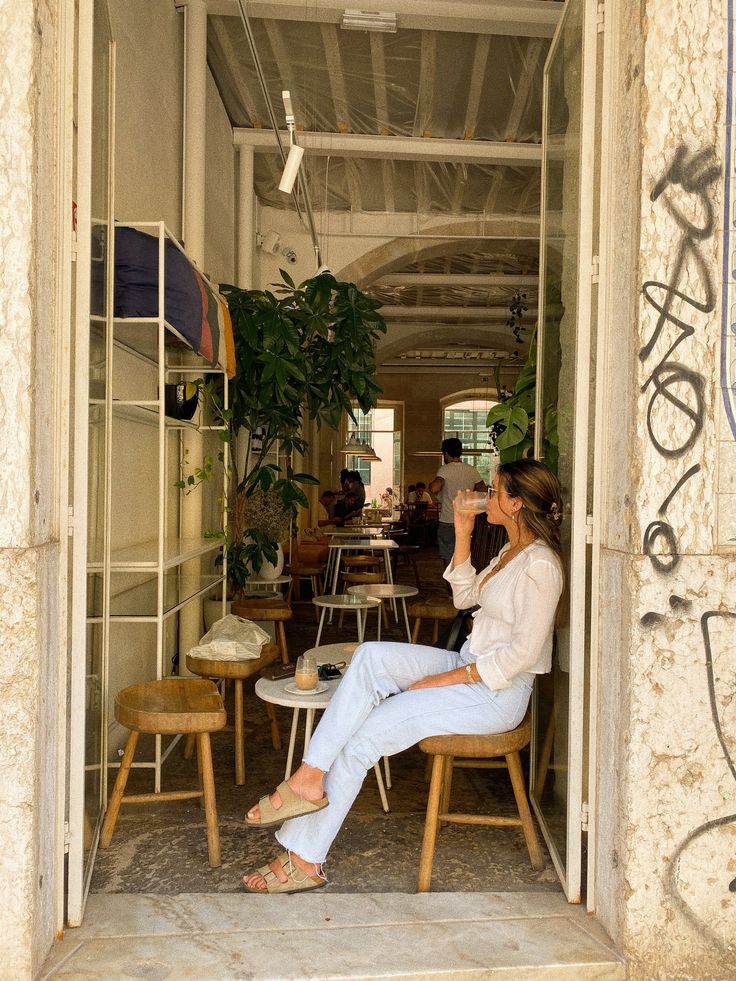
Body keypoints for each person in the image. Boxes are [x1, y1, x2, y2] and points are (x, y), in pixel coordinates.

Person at [242, 459, 564, 893]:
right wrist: (465, 533)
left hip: (495, 693)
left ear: (516, 503)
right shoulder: (511, 553)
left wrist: (438, 682)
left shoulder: (541, 565)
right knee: (371, 657)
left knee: (364, 739)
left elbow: (519, 656)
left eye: (495, 491)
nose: (486, 495)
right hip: (469, 666)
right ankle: (310, 775)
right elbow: (466, 597)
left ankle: (305, 859)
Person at [429, 437, 485, 566]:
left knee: (449, 558)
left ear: (446, 453)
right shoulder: (471, 470)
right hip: (467, 519)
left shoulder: (445, 469)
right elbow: (483, 489)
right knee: (465, 555)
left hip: (448, 520)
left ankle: (450, 585)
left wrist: (431, 484)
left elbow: (435, 487)